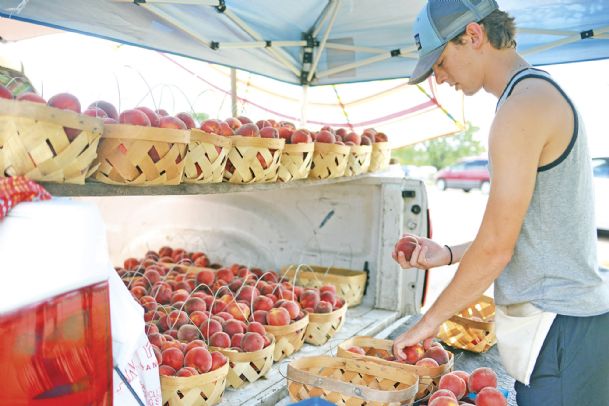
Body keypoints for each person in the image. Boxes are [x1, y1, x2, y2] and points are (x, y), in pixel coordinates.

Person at [392, 0, 609, 404]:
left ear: (473, 36)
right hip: (564, 328)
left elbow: (497, 248)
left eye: (439, 62)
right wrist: (448, 253)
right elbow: (524, 231)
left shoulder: (522, 107)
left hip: (561, 330)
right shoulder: (530, 94)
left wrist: (428, 323)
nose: (439, 78)